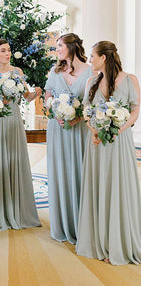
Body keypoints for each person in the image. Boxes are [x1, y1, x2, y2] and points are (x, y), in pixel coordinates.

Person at [76, 41, 141, 265]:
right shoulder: (91, 81)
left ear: (103, 57)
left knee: (117, 185)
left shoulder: (130, 79)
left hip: (118, 142)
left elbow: (134, 110)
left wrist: (118, 130)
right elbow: (86, 112)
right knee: (99, 186)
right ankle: (100, 241)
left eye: (93, 56)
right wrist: (94, 130)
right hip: (95, 142)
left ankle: (117, 242)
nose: (90, 60)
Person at [0, 38, 41, 230]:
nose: (7, 54)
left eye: (9, 50)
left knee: (14, 161)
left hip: (14, 121)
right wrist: (0, 101)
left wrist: (36, 93)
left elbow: (26, 97)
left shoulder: (17, 72)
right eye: (3, 51)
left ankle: (16, 209)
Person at [44, 33, 93, 244]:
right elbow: (47, 96)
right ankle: (63, 224)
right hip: (57, 129)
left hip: (80, 130)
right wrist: (55, 111)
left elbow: (92, 102)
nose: (58, 50)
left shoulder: (91, 71)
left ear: (72, 47)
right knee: (60, 173)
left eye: (60, 46)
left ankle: (83, 225)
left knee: (80, 172)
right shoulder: (55, 71)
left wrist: (76, 118)